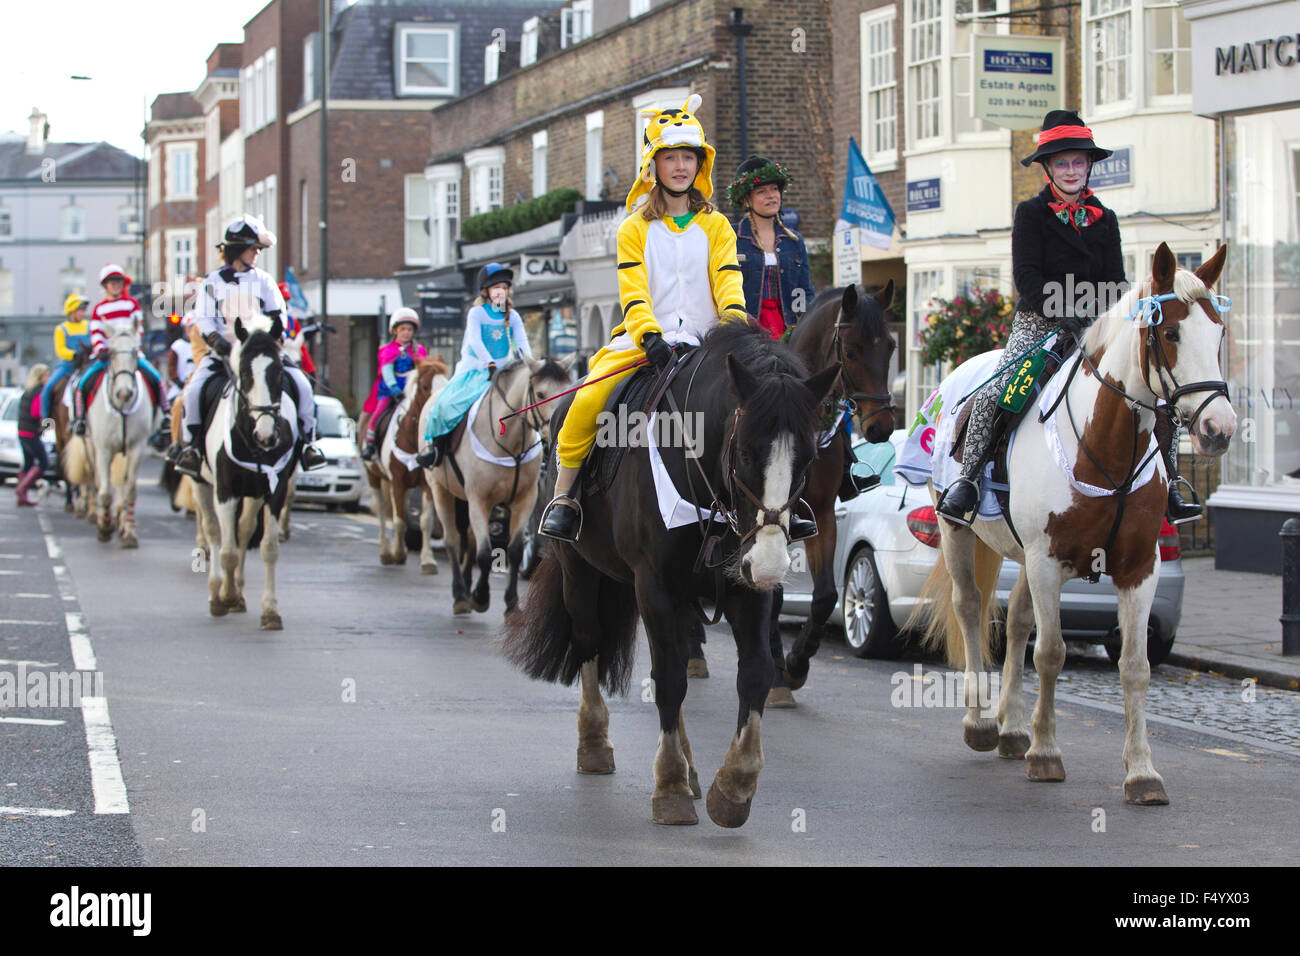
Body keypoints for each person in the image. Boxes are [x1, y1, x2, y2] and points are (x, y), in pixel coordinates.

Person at [536, 93, 812, 542]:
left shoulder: (717, 225)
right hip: (646, 342)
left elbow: (728, 285)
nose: (681, 166)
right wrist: (648, 337)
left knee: (773, 411)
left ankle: (784, 508)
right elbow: (634, 292)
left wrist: (735, 330)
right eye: (671, 158)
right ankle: (564, 498)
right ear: (654, 165)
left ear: (699, 165)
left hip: (709, 344)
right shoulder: (633, 229)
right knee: (586, 402)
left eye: (689, 157)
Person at [935, 111, 1203, 524]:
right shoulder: (1030, 213)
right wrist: (1066, 313)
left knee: (1159, 396)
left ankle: (1169, 486)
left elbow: (1115, 281)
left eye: (1079, 162)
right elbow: (1027, 276)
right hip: (1040, 325)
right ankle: (967, 482)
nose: (1072, 170)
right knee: (997, 393)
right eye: (1063, 163)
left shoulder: (1106, 219)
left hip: (1097, 329)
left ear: (1089, 165)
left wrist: (1099, 317)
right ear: (1048, 168)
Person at [169, 215, 326, 477]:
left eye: (257, 249)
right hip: (223, 353)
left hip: (260, 353)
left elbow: (279, 314)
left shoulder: (264, 281)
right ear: (236, 250)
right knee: (194, 391)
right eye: (252, 248)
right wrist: (216, 341)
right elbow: (204, 317)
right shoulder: (212, 281)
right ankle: (192, 449)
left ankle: (309, 445)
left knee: (301, 383)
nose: (256, 253)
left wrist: (273, 336)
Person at [416, 263, 534, 468]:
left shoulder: (513, 316)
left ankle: (539, 448)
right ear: (486, 291)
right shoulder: (477, 313)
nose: (501, 292)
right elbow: (475, 341)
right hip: (476, 372)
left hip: (505, 372)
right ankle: (437, 450)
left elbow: (522, 343)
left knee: (530, 402)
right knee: (444, 406)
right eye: (497, 287)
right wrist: (489, 362)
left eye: (505, 288)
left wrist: (531, 365)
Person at [71, 265, 163, 434]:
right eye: (112, 282)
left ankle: (163, 418)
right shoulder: (99, 309)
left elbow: (138, 329)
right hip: (108, 356)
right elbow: (96, 332)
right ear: (105, 285)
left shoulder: (132, 304)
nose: (116, 285)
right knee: (82, 383)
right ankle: (80, 420)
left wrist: (132, 347)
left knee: (156, 378)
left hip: (130, 353)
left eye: (118, 282)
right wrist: (101, 350)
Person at [729, 156, 813, 339]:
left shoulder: (794, 240)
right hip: (745, 331)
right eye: (761, 191)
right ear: (746, 200)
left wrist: (800, 326)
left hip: (787, 328)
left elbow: (803, 291)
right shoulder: (730, 237)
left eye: (775, 189)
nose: (771, 196)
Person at [361, 307, 428, 460]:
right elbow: (387, 371)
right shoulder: (388, 350)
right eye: (403, 329)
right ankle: (370, 442)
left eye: (410, 329)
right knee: (380, 410)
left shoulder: (419, 350)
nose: (406, 333)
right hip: (393, 391)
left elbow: (423, 370)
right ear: (395, 330)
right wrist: (393, 387)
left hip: (413, 391)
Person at [40, 294, 90, 421]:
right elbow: (60, 350)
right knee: (47, 389)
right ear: (72, 311)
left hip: (87, 365)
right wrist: (74, 354)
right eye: (81, 310)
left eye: (84, 310)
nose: (83, 313)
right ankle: (46, 421)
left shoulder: (88, 326)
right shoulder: (61, 329)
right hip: (68, 366)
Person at [14, 365, 51, 507]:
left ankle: (22, 497)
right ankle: (22, 488)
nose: (48, 378)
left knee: (28, 464)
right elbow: (37, 412)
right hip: (31, 433)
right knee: (44, 462)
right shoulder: (40, 392)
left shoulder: (27, 391)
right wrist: (48, 426)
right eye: (47, 375)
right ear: (40, 377)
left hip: (22, 431)